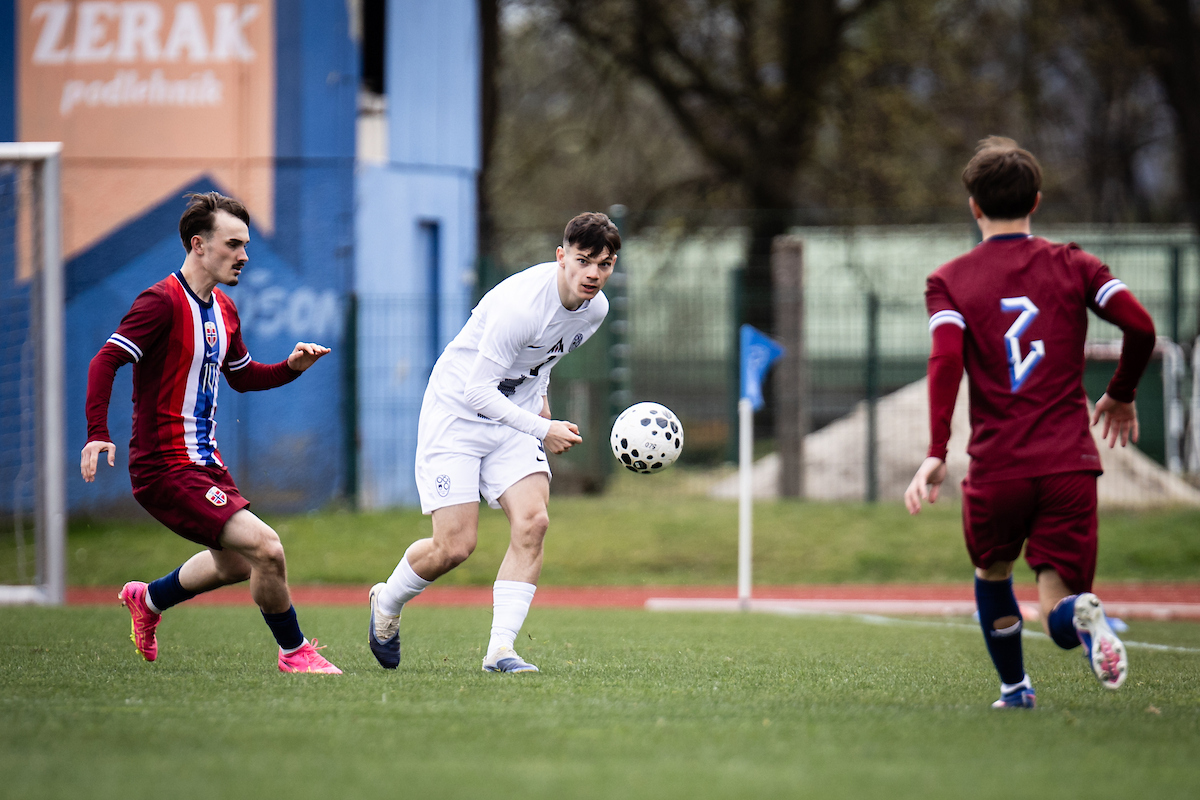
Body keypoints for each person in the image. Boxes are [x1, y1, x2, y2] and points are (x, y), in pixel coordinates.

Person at [904, 137, 1157, 708]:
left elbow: (946, 361)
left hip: (999, 466)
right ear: (1036, 201)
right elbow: (1141, 327)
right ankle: (1080, 615)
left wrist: (937, 450)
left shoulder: (949, 280)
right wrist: (1121, 393)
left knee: (993, 573)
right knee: (1056, 605)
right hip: (1069, 462)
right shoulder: (1076, 264)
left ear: (974, 206)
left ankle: (1015, 688)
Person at [82, 191, 341, 675]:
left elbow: (243, 376)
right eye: (233, 244)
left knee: (236, 563)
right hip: (165, 466)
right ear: (198, 245)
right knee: (267, 548)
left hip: (205, 462)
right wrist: (98, 431)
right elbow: (105, 360)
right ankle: (294, 652)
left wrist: (290, 367)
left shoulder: (224, 308)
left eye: (246, 245)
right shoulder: (160, 302)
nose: (244, 255)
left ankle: (148, 600)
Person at [367, 212, 619, 673]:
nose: (592, 274)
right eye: (583, 260)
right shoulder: (520, 307)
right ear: (561, 257)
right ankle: (387, 600)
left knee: (533, 522)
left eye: (603, 265)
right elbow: (477, 392)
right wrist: (543, 428)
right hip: (458, 414)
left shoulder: (596, 310)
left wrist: (540, 399)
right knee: (454, 546)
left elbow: (545, 357)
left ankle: (500, 650)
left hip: (514, 416)